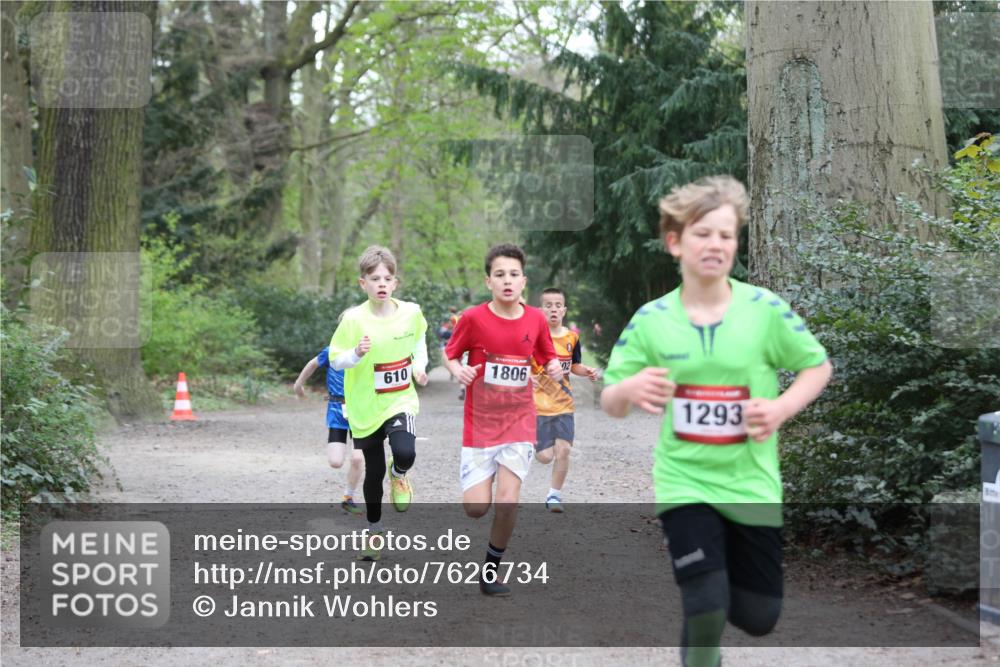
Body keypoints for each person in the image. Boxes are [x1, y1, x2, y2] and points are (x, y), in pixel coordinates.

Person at [600, 176, 832, 667]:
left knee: (758, 616)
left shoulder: (764, 310)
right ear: (675, 242)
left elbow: (818, 366)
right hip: (684, 482)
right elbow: (610, 400)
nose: (715, 245)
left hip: (752, 484)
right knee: (705, 603)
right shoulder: (652, 320)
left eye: (726, 235)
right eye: (703, 233)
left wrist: (780, 408)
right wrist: (628, 389)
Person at [444, 243, 562, 596]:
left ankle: (491, 571)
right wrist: (458, 370)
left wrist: (554, 367)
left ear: (524, 281)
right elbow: (450, 355)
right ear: (489, 281)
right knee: (476, 508)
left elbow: (546, 356)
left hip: (518, 421)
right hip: (480, 424)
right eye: (500, 275)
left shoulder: (536, 319)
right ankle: (486, 479)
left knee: (508, 500)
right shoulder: (474, 318)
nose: (507, 281)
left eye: (513, 274)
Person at [327, 245, 429, 561]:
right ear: (363, 284)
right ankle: (374, 533)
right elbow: (335, 359)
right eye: (374, 278)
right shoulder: (353, 320)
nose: (381, 283)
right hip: (364, 407)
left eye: (387, 278)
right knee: (372, 474)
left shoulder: (411, 312)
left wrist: (419, 366)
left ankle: (399, 473)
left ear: (395, 283)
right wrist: (355, 354)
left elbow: (419, 341)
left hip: (400, 399)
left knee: (404, 452)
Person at [530, 287, 600, 512]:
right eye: (548, 306)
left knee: (564, 451)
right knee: (544, 457)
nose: (553, 309)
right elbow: (522, 364)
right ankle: (530, 442)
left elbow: (574, 365)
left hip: (563, 404)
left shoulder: (572, 337)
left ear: (564, 310)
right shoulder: (532, 336)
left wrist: (586, 370)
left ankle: (554, 495)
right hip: (538, 405)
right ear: (541, 310)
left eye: (558, 305)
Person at [293, 350, 365, 515]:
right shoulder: (333, 350)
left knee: (357, 458)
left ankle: (348, 498)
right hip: (337, 410)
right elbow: (312, 364)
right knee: (335, 462)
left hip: (362, 410)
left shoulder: (366, 349)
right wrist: (298, 384)